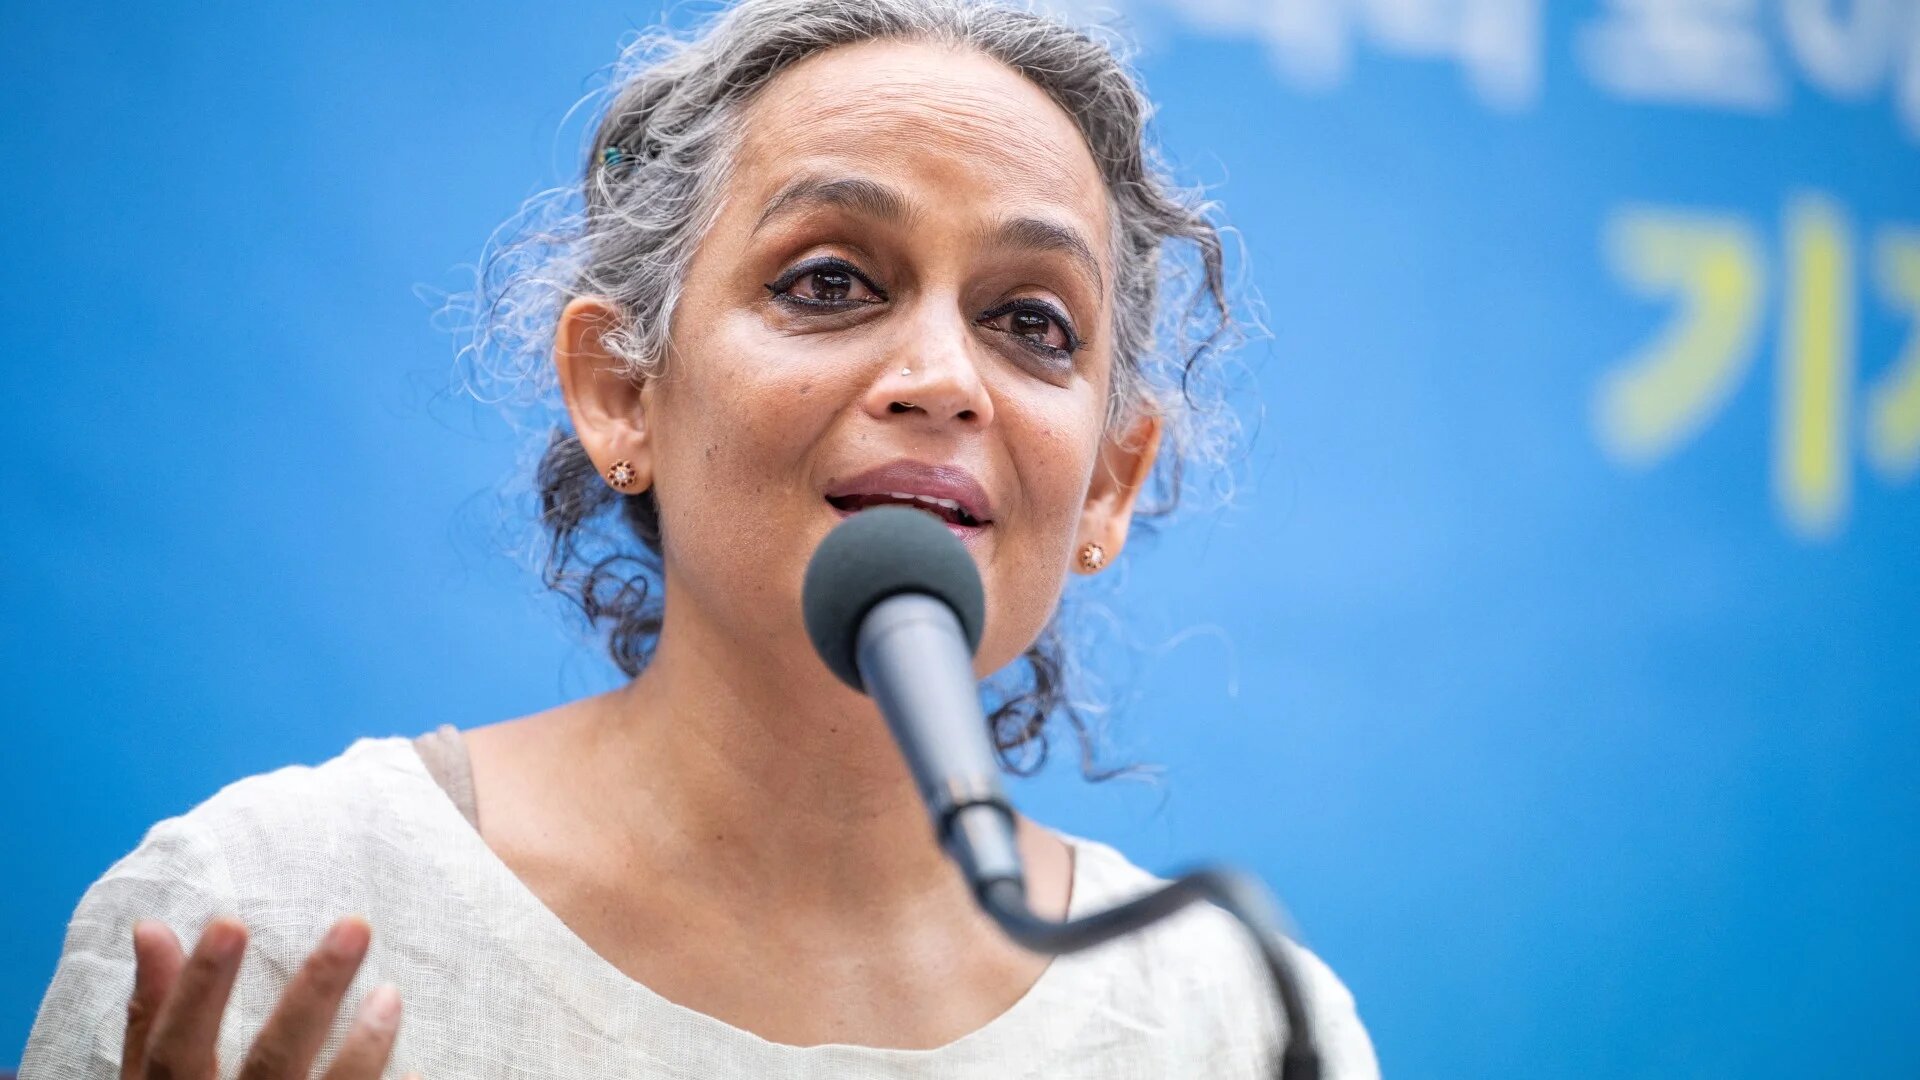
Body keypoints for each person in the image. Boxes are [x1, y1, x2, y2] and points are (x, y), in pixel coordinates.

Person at [21, 0, 1381, 1076]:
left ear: (1108, 484)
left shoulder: (1235, 1027)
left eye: (1031, 321)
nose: (944, 377)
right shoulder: (258, 913)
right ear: (622, 390)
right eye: (830, 282)